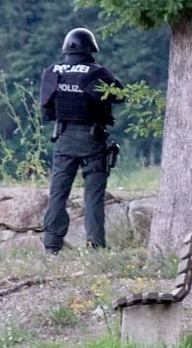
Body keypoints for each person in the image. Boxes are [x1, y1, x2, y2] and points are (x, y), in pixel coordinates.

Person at [40, 27, 124, 253]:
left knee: (58, 193)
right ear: (91, 48)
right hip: (92, 139)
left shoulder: (52, 71)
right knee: (93, 195)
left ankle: (51, 246)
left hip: (63, 138)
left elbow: (46, 111)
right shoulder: (96, 73)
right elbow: (119, 96)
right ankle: (95, 246)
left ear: (67, 48)